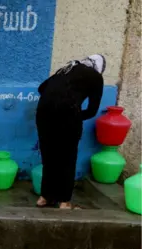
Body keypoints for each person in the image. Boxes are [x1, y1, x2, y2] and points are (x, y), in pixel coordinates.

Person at [36, 54, 106, 210]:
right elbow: (92, 110)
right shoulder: (95, 77)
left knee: (49, 156)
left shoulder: (67, 68)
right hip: (67, 114)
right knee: (67, 158)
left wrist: (54, 103)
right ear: (99, 68)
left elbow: (41, 88)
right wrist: (74, 115)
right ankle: (64, 201)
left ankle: (45, 197)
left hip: (43, 112)